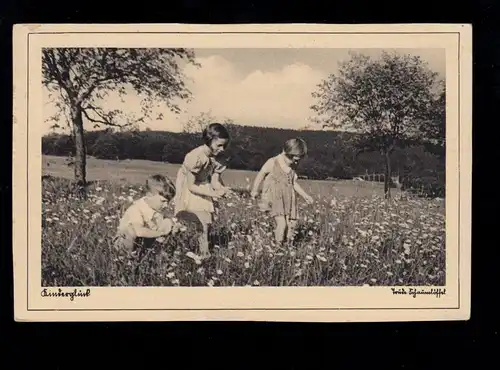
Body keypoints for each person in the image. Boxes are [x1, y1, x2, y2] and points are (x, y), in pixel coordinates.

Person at [173, 123, 232, 259]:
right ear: (209, 140)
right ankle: (171, 244)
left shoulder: (219, 158)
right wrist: (213, 194)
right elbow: (191, 186)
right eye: (219, 145)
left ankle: (204, 253)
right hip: (190, 187)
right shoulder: (196, 157)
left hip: (204, 185)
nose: (222, 149)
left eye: (225, 146)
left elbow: (215, 181)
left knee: (205, 221)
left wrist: (222, 189)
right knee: (184, 221)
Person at [250, 138, 314, 246]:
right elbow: (261, 174)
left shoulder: (293, 166)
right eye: (291, 158)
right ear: (284, 152)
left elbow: (293, 183)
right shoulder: (273, 162)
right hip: (275, 197)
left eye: (296, 160)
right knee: (282, 223)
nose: (293, 162)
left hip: (288, 198)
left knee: (291, 224)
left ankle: (287, 245)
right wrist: (254, 190)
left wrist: (305, 195)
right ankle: (278, 247)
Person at [112, 174, 183, 255]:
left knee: (168, 222)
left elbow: (163, 224)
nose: (166, 205)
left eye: (168, 202)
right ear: (149, 195)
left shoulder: (158, 208)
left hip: (145, 240)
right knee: (131, 230)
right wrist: (162, 233)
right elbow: (139, 231)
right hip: (125, 241)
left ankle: (159, 252)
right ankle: (127, 258)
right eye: (163, 201)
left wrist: (172, 228)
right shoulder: (136, 209)